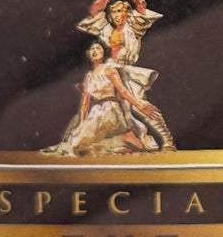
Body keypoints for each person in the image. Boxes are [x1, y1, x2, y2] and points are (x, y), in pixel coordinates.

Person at [46, 40, 174, 156]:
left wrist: (139, 104)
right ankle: (123, 145)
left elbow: (123, 91)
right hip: (96, 111)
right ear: (88, 54)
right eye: (92, 49)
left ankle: (149, 142)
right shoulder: (88, 77)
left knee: (81, 142)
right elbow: (85, 104)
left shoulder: (109, 70)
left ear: (103, 53)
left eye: (98, 48)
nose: (95, 51)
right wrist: (82, 124)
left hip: (111, 109)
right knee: (77, 141)